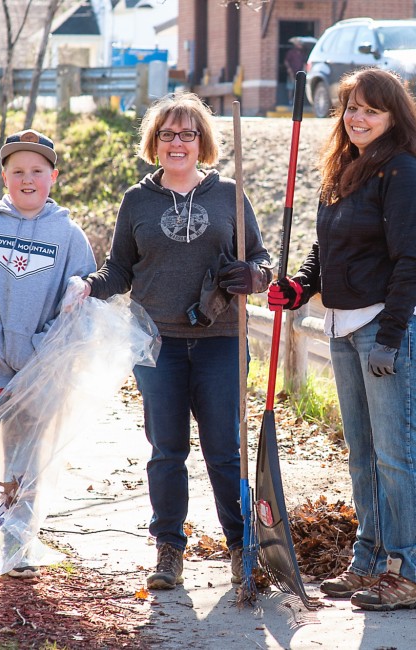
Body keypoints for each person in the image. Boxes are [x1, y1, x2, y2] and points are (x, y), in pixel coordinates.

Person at [67, 92, 272, 590]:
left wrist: (255, 275)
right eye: (167, 134)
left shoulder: (229, 196)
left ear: (202, 142)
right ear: (154, 142)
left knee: (225, 448)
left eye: (187, 134)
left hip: (222, 338)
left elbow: (266, 262)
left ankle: (242, 550)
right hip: (156, 343)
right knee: (166, 449)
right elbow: (118, 269)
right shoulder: (136, 201)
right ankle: (168, 551)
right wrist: (89, 285)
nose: (177, 142)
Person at [268, 67, 416, 611]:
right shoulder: (343, 172)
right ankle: (369, 560)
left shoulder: (405, 174)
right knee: (364, 454)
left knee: (397, 455)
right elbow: (327, 254)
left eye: (371, 109)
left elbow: (413, 261)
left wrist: (391, 336)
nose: (358, 117)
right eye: (351, 108)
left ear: (395, 117)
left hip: (391, 325)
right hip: (344, 324)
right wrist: (298, 289)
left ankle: (409, 573)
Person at [0, 128, 97, 577]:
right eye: (17, 171)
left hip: (38, 374)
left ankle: (14, 546)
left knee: (23, 464)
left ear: (54, 177)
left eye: (37, 171)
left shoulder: (69, 238)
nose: (27, 179)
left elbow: (78, 308)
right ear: (4, 177)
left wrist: (37, 355)